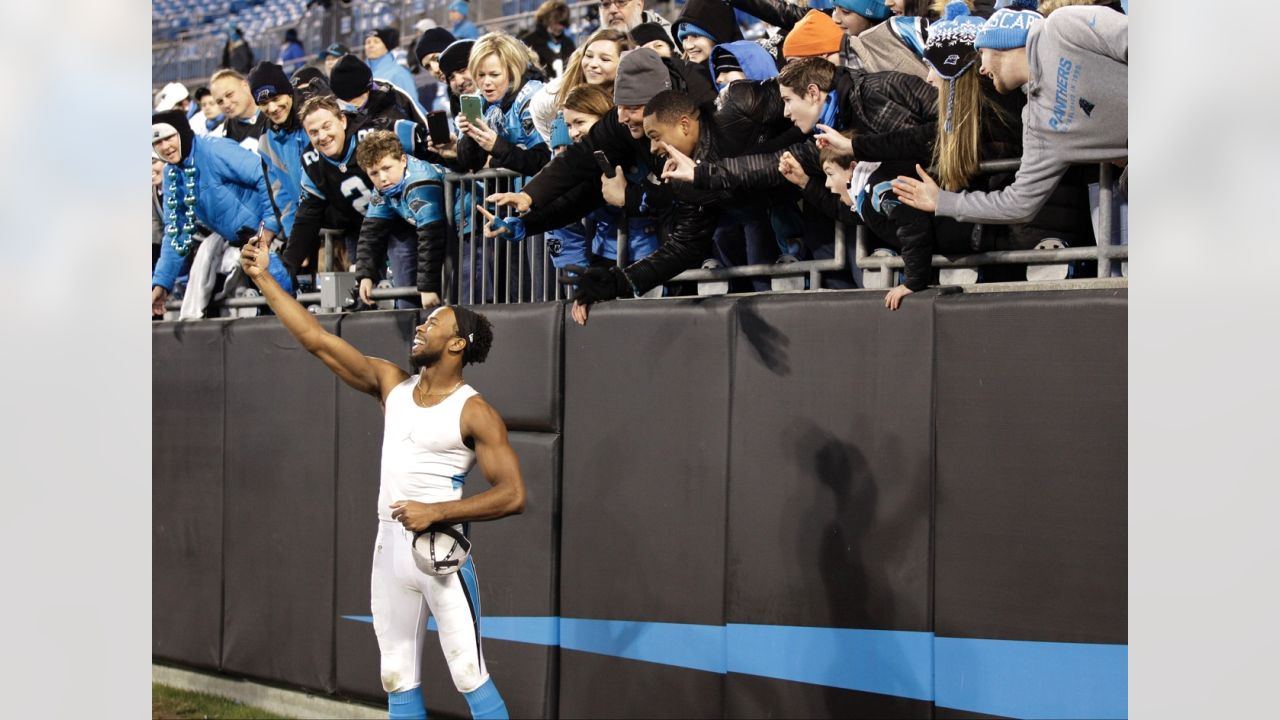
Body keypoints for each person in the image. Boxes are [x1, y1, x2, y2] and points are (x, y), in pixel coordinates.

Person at [236, 235, 522, 720]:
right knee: (396, 677)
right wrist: (263, 277)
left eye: (434, 323)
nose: (421, 325)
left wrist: (437, 511)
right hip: (390, 547)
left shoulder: (475, 411)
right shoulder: (393, 383)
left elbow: (512, 494)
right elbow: (317, 341)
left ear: (457, 343)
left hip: (443, 554)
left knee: (470, 677)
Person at [891, 3, 1127, 225]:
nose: (982, 68)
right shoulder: (1037, 125)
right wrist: (943, 202)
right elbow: (1019, 204)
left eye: (981, 53)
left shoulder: (1061, 28)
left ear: (999, 44)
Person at [150, 109, 286, 320]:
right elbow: (176, 232)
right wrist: (161, 283)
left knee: (286, 303)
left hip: (273, 238)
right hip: (243, 244)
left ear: (183, 133)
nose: (165, 147)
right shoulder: (171, 174)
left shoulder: (214, 149)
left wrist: (269, 227)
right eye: (158, 142)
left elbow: (265, 173)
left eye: (169, 137)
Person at [353, 130, 449, 310]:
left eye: (386, 168)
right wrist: (365, 276)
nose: (382, 178)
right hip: (446, 233)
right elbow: (372, 232)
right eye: (374, 173)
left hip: (471, 232)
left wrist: (428, 287)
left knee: (464, 299)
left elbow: (431, 236)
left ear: (403, 160)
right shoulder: (385, 186)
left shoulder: (419, 181)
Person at [454, 33, 549, 176]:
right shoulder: (478, 101)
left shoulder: (532, 96)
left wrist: (496, 148)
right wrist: (469, 136)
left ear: (512, 72)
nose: (486, 82)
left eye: (494, 74)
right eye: (480, 75)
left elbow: (543, 160)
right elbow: (469, 164)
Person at [527, 27, 634, 143]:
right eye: (588, 56)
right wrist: (553, 142)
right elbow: (537, 108)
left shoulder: (632, 98)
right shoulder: (558, 90)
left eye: (604, 59)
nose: (593, 64)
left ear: (624, 63)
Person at [248, 61, 311, 239]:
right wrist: (295, 237)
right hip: (307, 228)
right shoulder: (267, 140)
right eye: (264, 103)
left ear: (288, 92)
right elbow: (282, 196)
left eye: (276, 99)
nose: (272, 108)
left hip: (343, 223)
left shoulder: (316, 119)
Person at [329, 54, 430, 128]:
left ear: (367, 90)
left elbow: (425, 125)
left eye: (355, 99)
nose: (351, 105)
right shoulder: (331, 109)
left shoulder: (395, 96)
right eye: (345, 100)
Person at [672, 0, 744, 77]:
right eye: (684, 38)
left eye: (696, 35)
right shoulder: (678, 78)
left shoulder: (744, 77)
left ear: (719, 37)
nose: (688, 46)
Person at [210, 69, 269, 152]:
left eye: (229, 95)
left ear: (245, 86)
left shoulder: (274, 112)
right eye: (220, 101)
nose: (226, 104)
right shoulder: (223, 132)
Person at [366, 27, 423, 108]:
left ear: (386, 46)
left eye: (376, 42)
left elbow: (413, 105)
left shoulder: (399, 72)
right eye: (368, 42)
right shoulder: (361, 74)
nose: (371, 45)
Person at [520, 0, 576, 78]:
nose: (559, 27)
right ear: (546, 20)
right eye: (556, 22)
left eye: (562, 23)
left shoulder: (568, 43)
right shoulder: (529, 41)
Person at [599, 0, 673, 34]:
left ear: (639, 5)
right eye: (606, 4)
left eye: (621, 2)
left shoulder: (664, 37)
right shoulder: (594, 42)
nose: (612, 10)